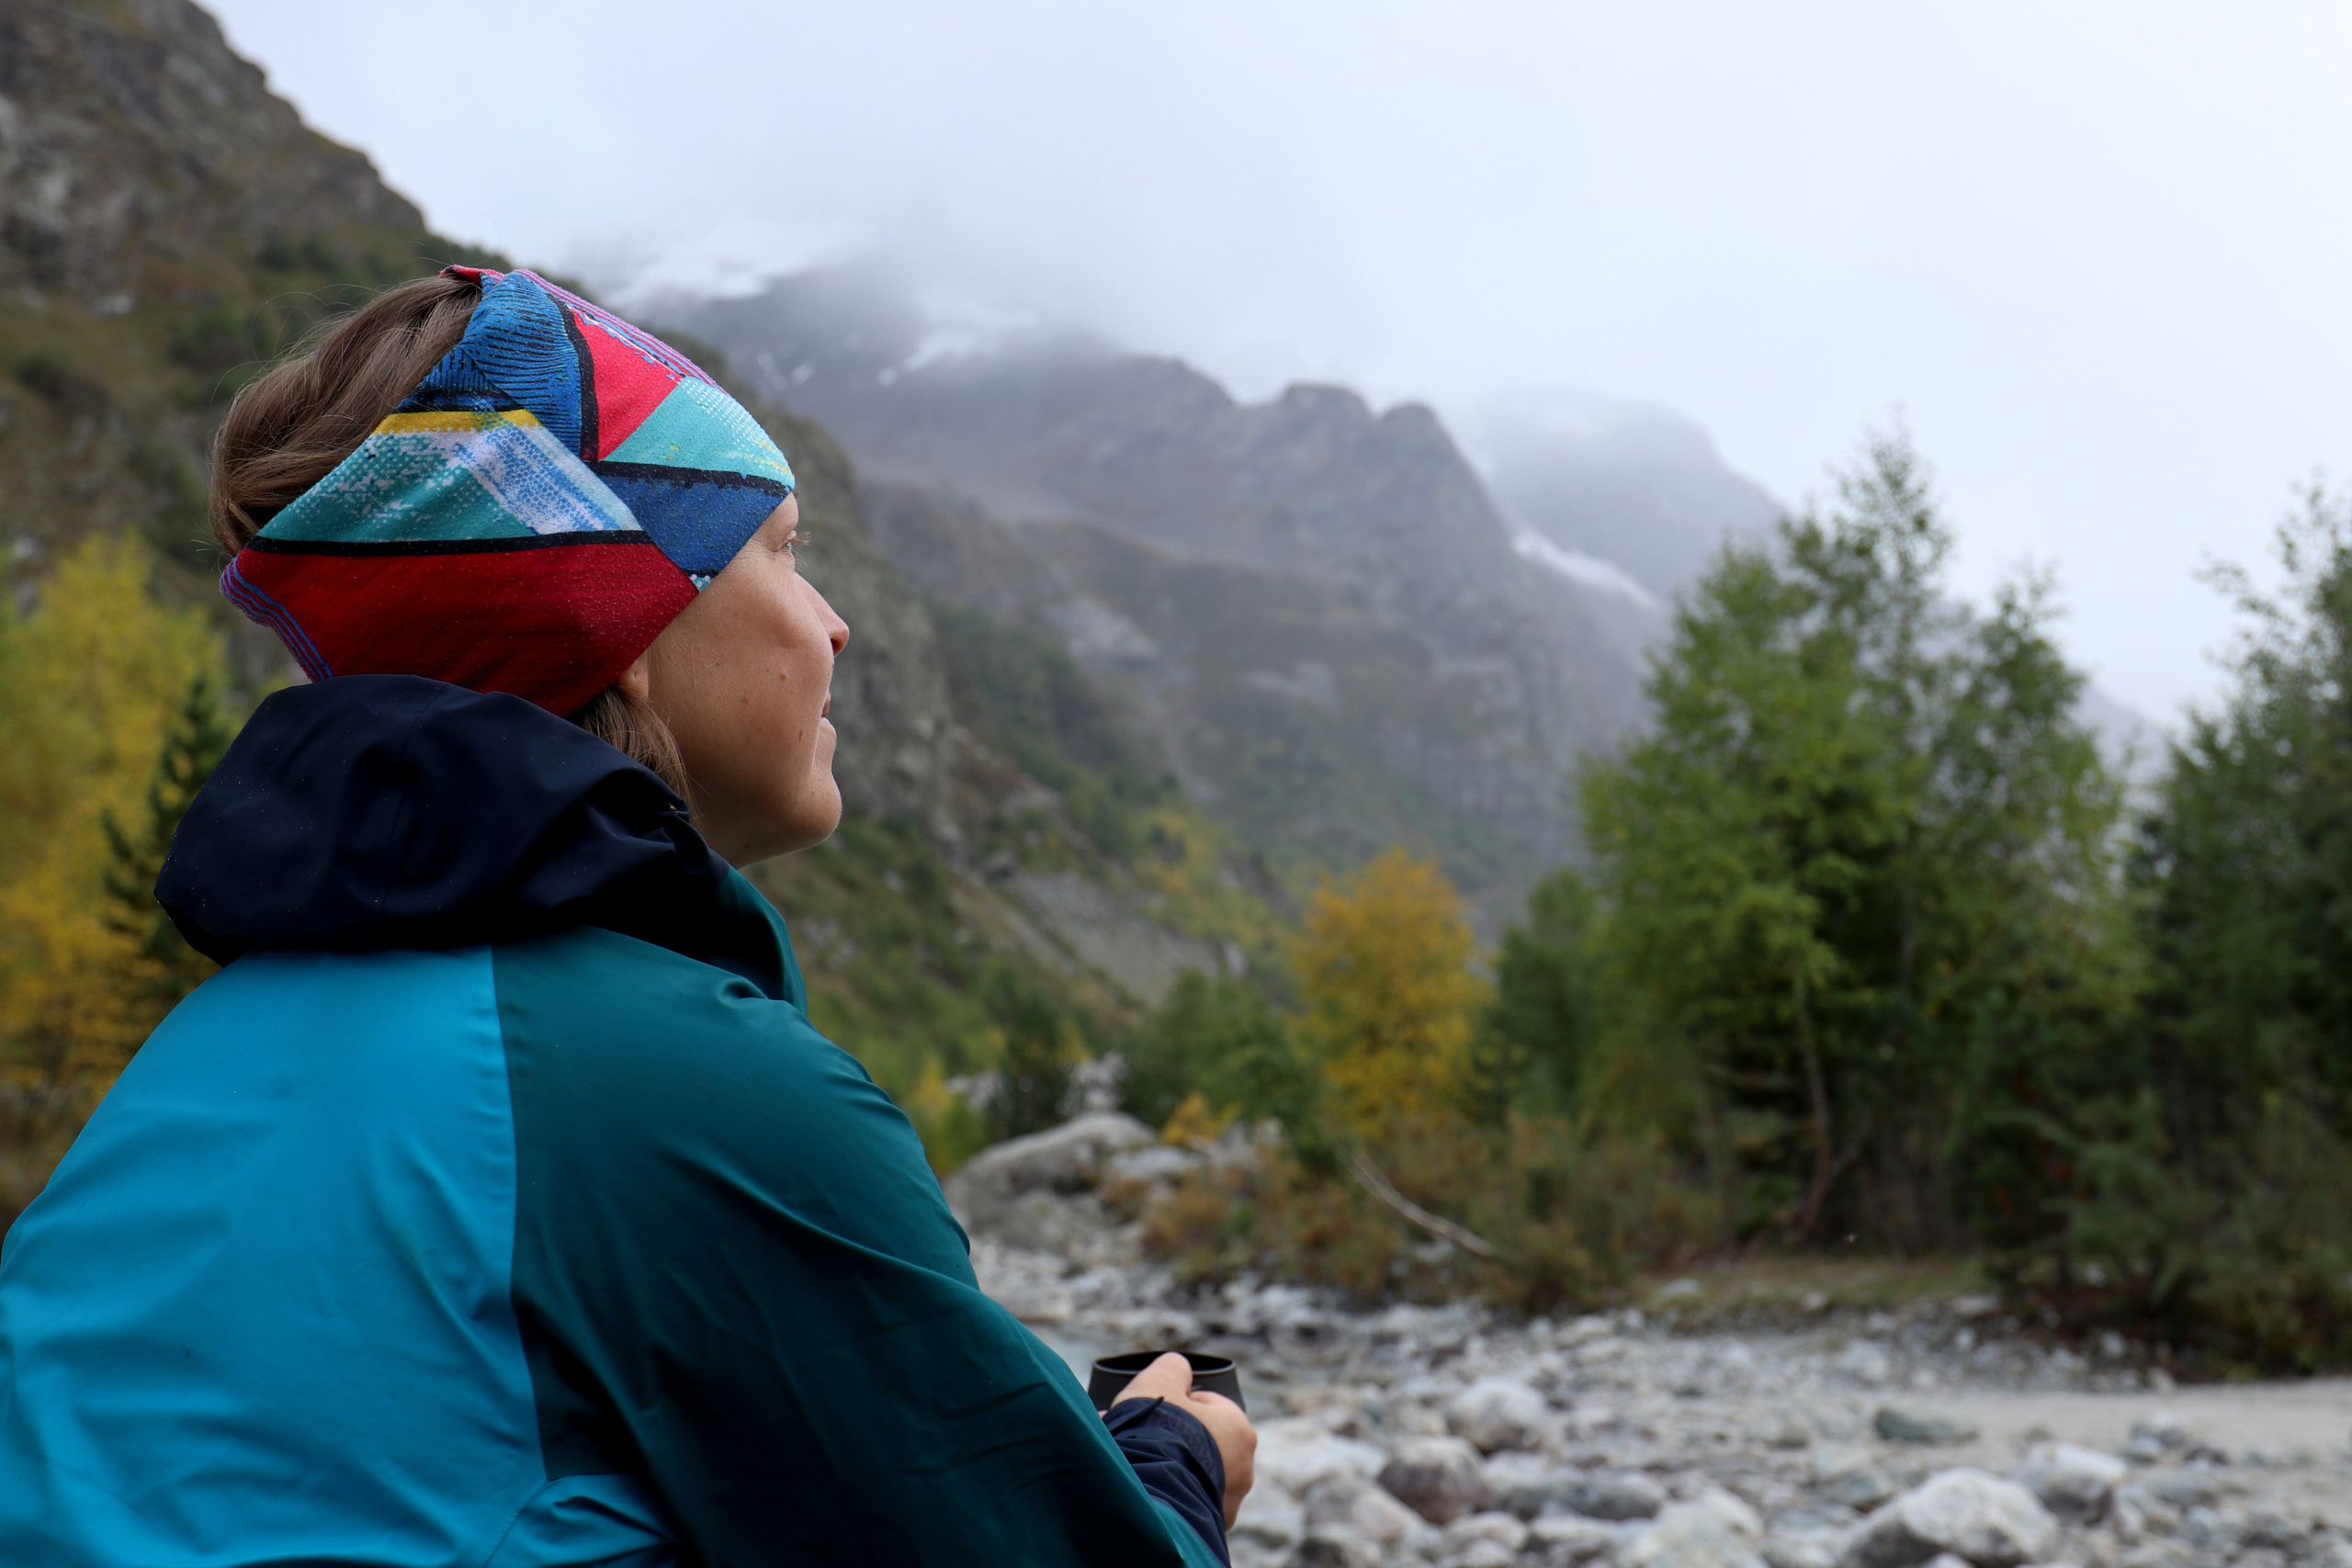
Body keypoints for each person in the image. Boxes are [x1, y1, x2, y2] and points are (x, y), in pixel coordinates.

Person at [0, 266, 1254, 1565]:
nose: (833, 629)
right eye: (779, 553)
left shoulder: (189, 1063)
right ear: (626, 618)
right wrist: (1174, 1465)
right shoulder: (681, 1093)